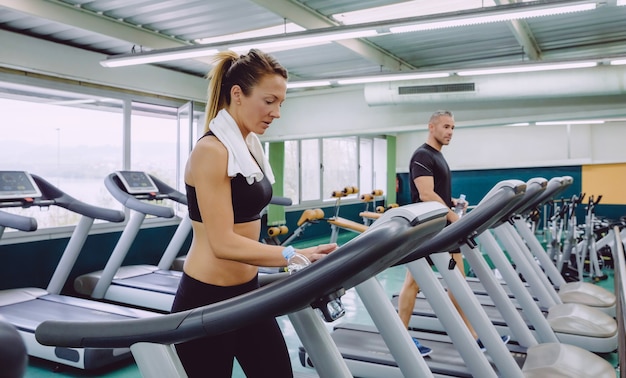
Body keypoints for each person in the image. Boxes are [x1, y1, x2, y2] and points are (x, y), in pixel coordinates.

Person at [171, 49, 337, 378]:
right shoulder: (212, 150)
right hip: (206, 299)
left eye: (281, 104)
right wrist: (292, 254)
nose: (276, 112)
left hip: (247, 292)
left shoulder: (249, 146)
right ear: (237, 94)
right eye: (269, 101)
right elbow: (223, 244)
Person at [397, 110, 509, 356]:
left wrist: (453, 201)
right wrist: (453, 216)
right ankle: (401, 336)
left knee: (459, 283)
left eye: (453, 128)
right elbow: (425, 195)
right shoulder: (422, 155)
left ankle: (473, 336)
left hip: (442, 230)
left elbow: (436, 192)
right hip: (427, 229)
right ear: (431, 127)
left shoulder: (437, 156)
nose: (450, 132)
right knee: (413, 283)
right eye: (446, 127)